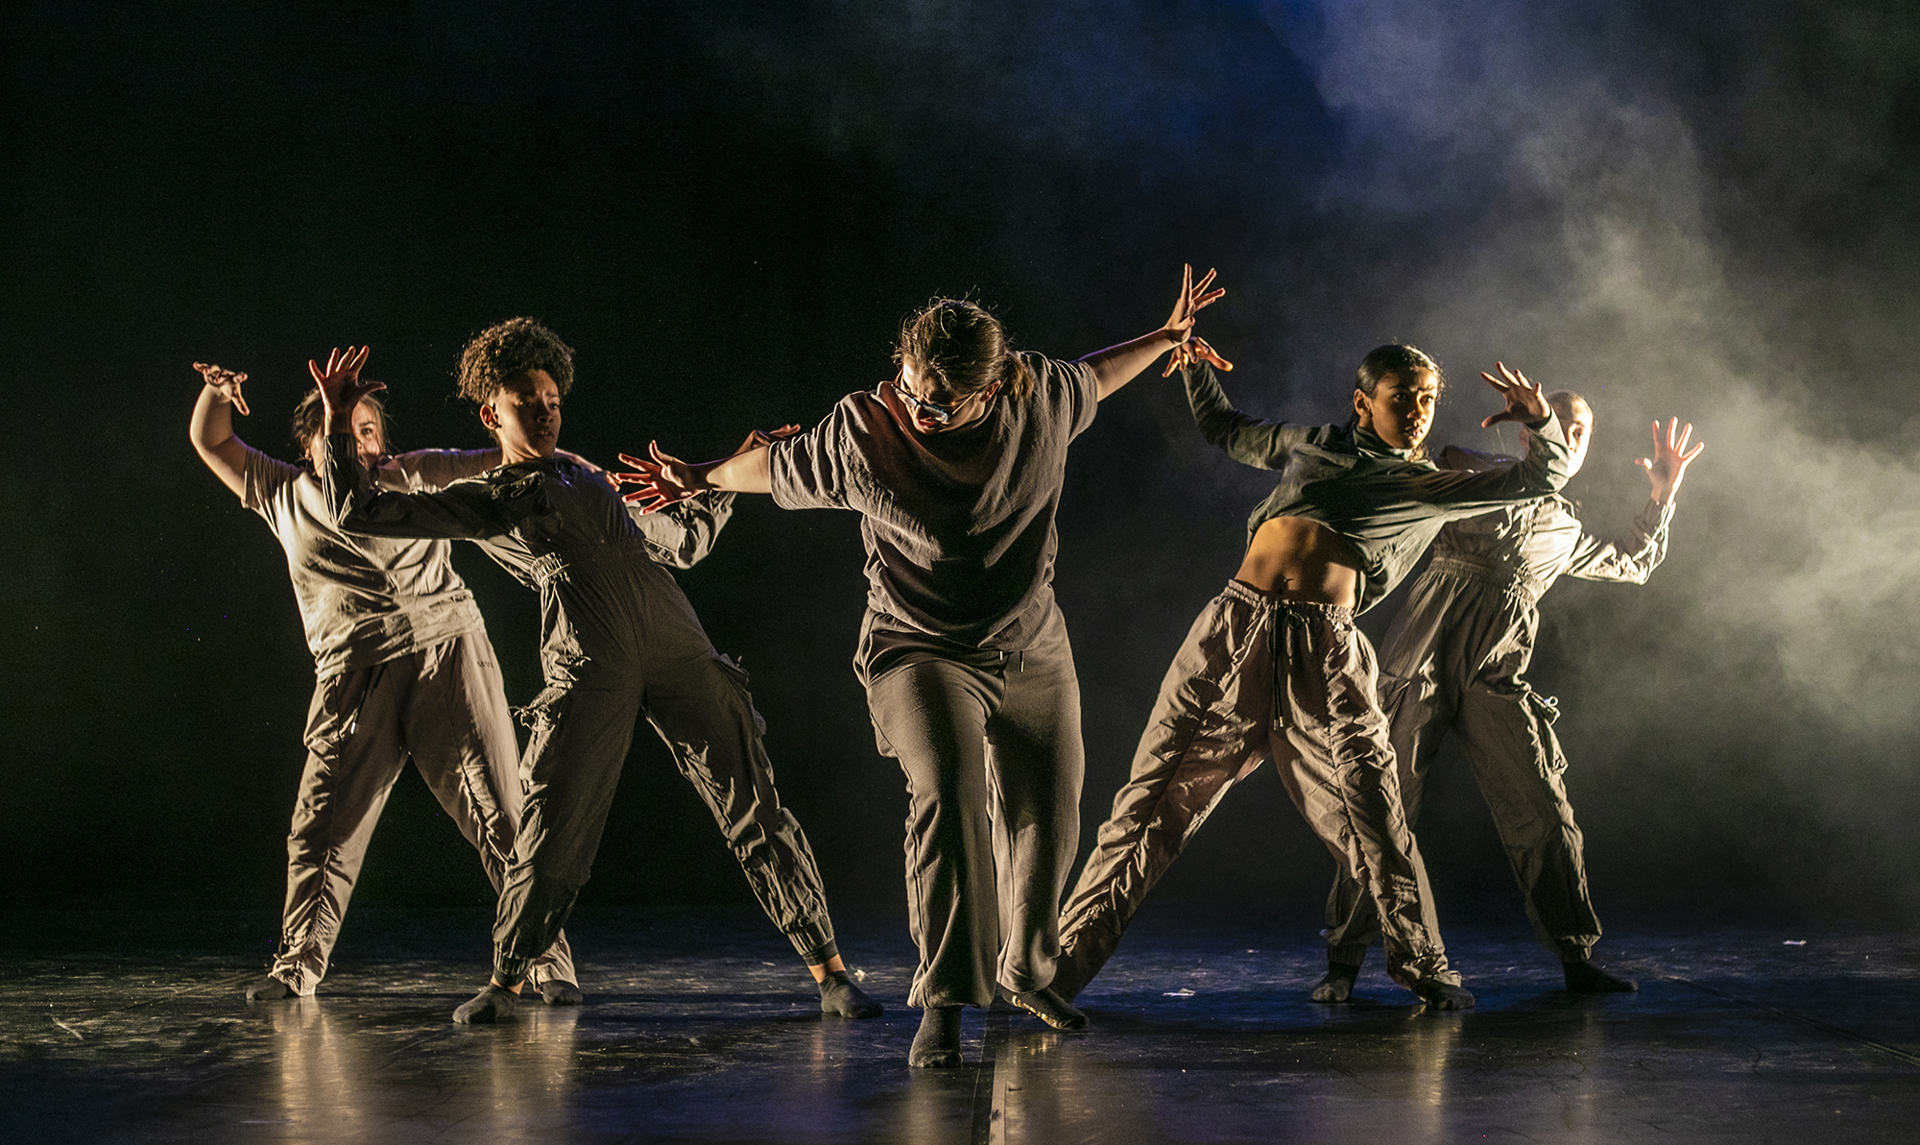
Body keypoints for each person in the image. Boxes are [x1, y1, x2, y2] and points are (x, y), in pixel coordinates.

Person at [615, 267, 1226, 1067]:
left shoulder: (1040, 396)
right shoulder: (865, 430)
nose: (918, 412)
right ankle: (944, 1000)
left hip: (1032, 642)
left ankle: (1026, 970)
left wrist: (1165, 337)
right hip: (917, 646)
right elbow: (775, 467)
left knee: (1051, 809)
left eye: (940, 404)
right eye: (909, 390)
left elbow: (1098, 376)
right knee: (948, 792)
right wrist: (701, 476)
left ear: (998, 385)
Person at [310, 324, 881, 1026]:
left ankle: (830, 971)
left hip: (677, 644)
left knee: (754, 806)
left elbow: (687, 540)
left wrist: (732, 472)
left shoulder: (593, 480)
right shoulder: (493, 494)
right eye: (527, 400)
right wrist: (339, 426)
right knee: (553, 827)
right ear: (493, 414)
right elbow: (360, 510)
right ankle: (508, 978)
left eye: (552, 397)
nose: (546, 410)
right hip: (589, 659)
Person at [1052, 340, 1577, 1011]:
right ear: (1364, 402)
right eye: (1401, 398)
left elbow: (1539, 480)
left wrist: (1540, 422)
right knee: (1153, 804)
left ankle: (1424, 965)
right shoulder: (1314, 444)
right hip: (1232, 633)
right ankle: (1056, 972)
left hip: (1326, 653)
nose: (1417, 412)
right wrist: (1193, 365)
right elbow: (1227, 429)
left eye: (1426, 399)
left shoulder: (1428, 485)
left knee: (1372, 814)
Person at [187, 357, 578, 1004]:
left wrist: (547, 442)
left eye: (370, 429)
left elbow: (500, 461)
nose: (361, 440)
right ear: (313, 443)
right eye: (344, 428)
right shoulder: (283, 493)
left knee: (502, 812)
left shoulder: (412, 475)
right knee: (322, 827)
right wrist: (215, 391)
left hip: (446, 654)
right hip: (349, 674)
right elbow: (212, 439)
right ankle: (297, 965)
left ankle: (543, 958)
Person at [1313, 397, 1704, 1001]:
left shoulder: (1565, 530)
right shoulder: (1471, 477)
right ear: (1529, 436)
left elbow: (1636, 562)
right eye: (1559, 427)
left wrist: (1662, 494)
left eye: (1581, 431)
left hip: (1494, 674)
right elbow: (1405, 480)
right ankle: (1344, 961)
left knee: (1543, 809)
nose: (1571, 439)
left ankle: (1576, 959)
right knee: (1380, 806)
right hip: (1421, 660)